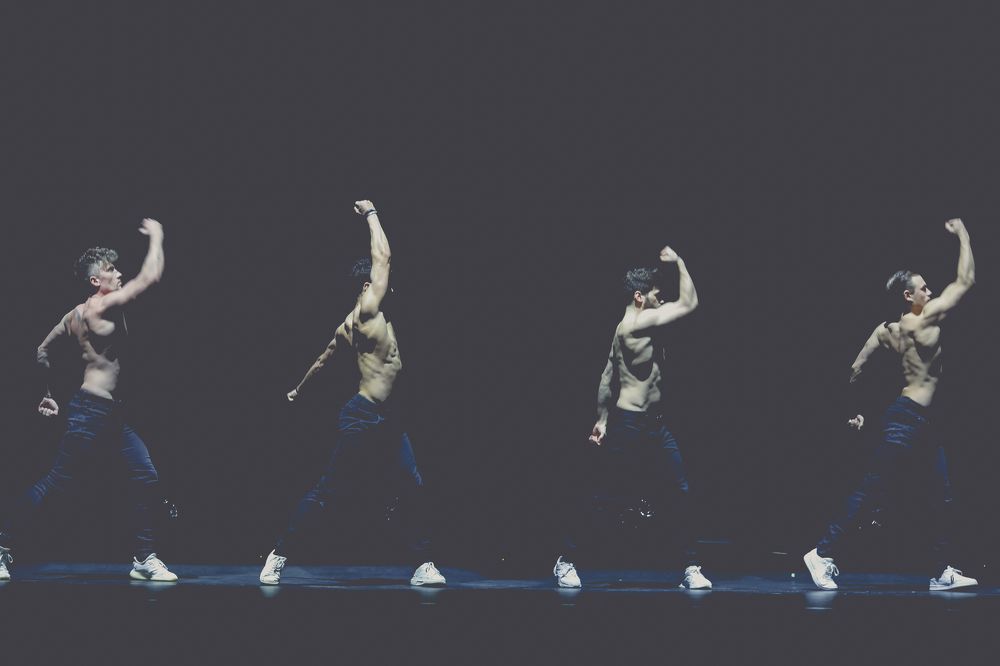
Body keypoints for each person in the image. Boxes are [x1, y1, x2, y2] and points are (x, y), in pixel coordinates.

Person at [259, 201, 445, 587]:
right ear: (366, 286)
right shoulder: (369, 311)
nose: (388, 286)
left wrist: (297, 390)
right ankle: (278, 555)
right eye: (379, 282)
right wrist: (372, 214)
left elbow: (322, 360)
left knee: (412, 484)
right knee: (328, 491)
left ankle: (423, 564)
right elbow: (384, 256)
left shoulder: (346, 326)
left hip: (389, 419)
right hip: (362, 416)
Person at [804, 218, 977, 591]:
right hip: (907, 421)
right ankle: (821, 553)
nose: (930, 291)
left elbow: (856, 368)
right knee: (873, 490)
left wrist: (853, 410)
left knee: (942, 494)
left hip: (919, 421)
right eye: (924, 288)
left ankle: (942, 571)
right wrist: (963, 235)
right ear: (908, 296)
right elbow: (965, 282)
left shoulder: (885, 330)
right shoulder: (923, 320)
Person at [0, 218, 177, 582]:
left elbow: (41, 351)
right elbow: (150, 278)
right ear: (96, 280)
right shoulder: (100, 307)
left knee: (145, 474)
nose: (119, 273)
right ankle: (2, 546)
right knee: (55, 484)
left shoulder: (74, 314)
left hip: (109, 414)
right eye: (111, 269)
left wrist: (47, 393)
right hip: (91, 413)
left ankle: (144, 557)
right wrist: (158, 236)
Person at [553, 245, 711, 590]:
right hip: (630, 424)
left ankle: (691, 566)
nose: (661, 298)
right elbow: (689, 304)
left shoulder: (621, 329)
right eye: (655, 294)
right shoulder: (634, 326)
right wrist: (681, 262)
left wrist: (600, 418)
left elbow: (607, 374)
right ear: (639, 297)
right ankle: (566, 560)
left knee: (680, 491)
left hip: (656, 425)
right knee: (604, 495)